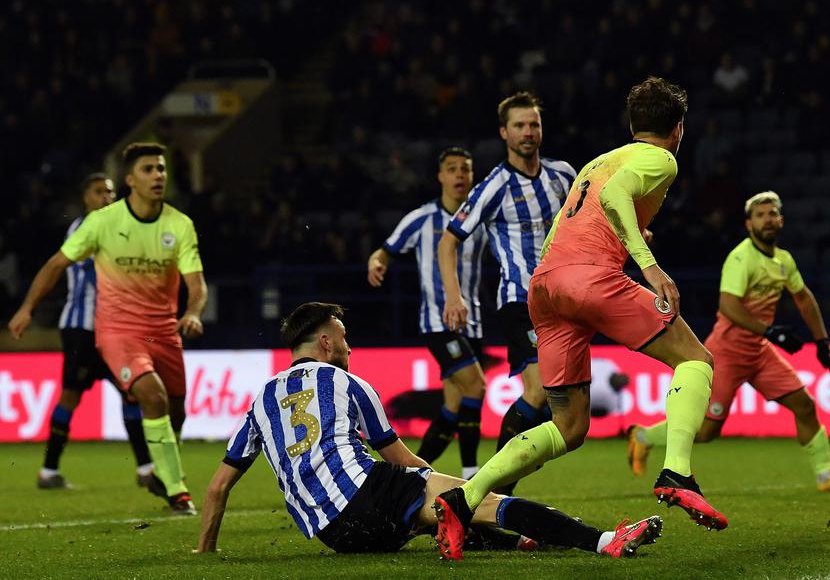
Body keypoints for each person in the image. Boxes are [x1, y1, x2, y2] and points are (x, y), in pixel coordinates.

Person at [431, 77, 728, 554]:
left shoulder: (596, 162)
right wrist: (649, 268)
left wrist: (620, 245)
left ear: (633, 125)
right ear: (678, 128)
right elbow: (616, 199)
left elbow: (575, 222)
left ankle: (462, 500)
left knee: (569, 427)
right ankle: (677, 471)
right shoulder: (660, 158)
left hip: (545, 288)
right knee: (696, 361)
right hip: (588, 278)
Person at [195, 302, 661, 561]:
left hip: (337, 536)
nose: (349, 345)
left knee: (436, 513)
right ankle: (604, 541)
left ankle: (522, 540)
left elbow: (217, 488)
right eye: (343, 336)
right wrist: (448, 483)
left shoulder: (260, 400)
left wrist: (205, 552)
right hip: (369, 495)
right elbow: (401, 460)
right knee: (471, 500)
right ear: (325, 342)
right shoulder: (345, 382)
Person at [7, 143, 208, 514]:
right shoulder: (96, 224)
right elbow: (55, 265)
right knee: (147, 396)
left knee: (171, 408)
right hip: (106, 329)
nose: (158, 175)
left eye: (161, 169)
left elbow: (196, 283)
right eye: (149, 169)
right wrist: (27, 308)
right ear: (132, 179)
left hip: (162, 331)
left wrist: (193, 311)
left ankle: (156, 470)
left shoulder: (179, 225)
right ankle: (173, 487)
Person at [627, 191, 830, 493]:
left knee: (804, 405)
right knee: (705, 432)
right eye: (761, 215)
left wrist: (822, 341)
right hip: (727, 352)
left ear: (781, 220)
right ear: (749, 224)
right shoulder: (742, 258)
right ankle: (644, 437)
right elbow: (728, 306)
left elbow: (803, 299)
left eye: (773, 213)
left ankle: (825, 475)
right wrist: (769, 331)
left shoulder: (784, 260)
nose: (768, 219)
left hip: (759, 351)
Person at [437, 92, 575, 493]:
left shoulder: (563, 175)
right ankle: (490, 492)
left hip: (566, 301)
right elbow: (449, 241)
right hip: (521, 300)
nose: (528, 132)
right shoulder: (493, 186)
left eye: (533, 124)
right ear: (504, 132)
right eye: (519, 126)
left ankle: (496, 486)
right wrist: (453, 296)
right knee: (537, 389)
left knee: (561, 408)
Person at [15, 174, 159, 493]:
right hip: (82, 328)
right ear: (86, 198)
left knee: (131, 391)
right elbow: (101, 273)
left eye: (109, 191)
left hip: (111, 330)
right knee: (71, 395)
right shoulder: (82, 229)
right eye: (99, 192)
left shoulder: (116, 229)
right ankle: (48, 470)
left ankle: (146, 468)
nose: (107, 196)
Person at [368, 147, 487, 479]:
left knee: (453, 406)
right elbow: (386, 250)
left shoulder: (480, 218)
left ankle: (411, 475)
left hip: (472, 322)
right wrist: (375, 261)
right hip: (438, 322)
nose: (460, 175)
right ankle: (472, 474)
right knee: (476, 387)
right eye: (452, 169)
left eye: (465, 169)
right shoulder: (422, 218)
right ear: (440, 176)